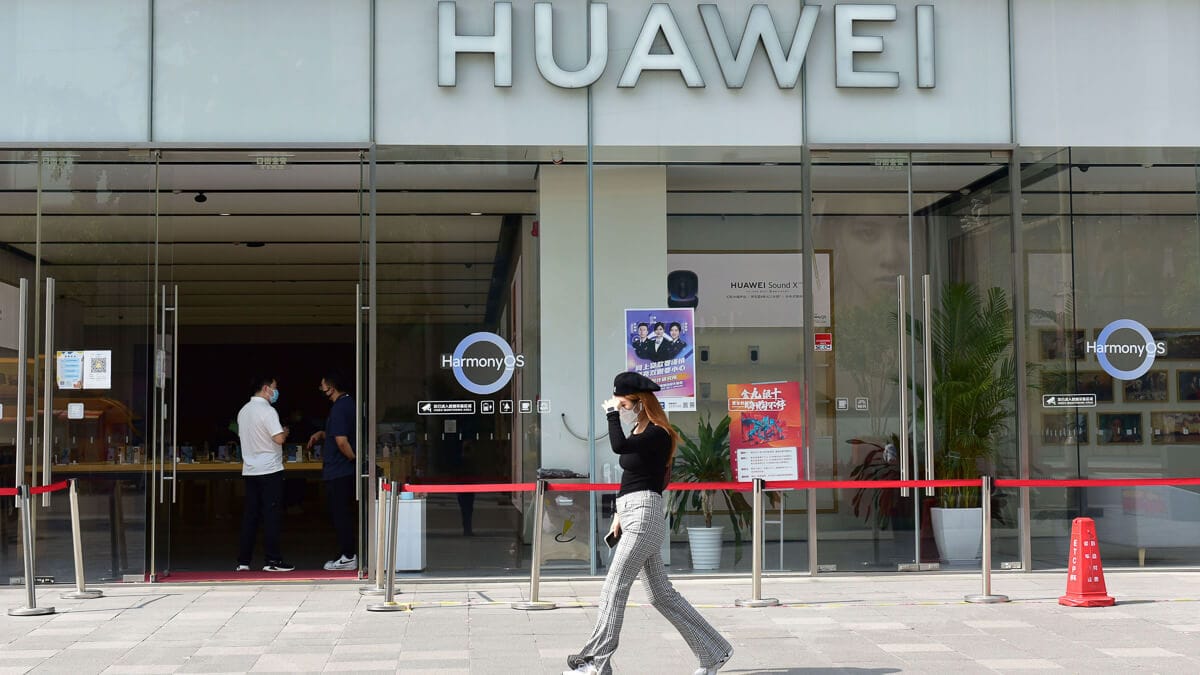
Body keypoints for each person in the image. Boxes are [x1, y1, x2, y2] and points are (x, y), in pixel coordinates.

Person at [564, 371, 733, 675]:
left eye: (625, 404)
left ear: (640, 402)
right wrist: (618, 515)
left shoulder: (659, 433)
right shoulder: (642, 432)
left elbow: (618, 448)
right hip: (632, 513)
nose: (623, 410)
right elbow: (632, 475)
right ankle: (715, 651)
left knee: (614, 587)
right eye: (621, 406)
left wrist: (611, 415)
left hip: (644, 514)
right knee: (660, 594)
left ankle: (595, 662)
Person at [235, 375, 293, 572]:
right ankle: (273, 560)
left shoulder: (243, 411)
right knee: (271, 516)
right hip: (270, 469)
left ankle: (243, 561)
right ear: (266, 389)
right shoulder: (268, 411)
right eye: (275, 388)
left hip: (250, 469)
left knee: (250, 516)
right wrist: (285, 432)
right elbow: (278, 439)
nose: (276, 392)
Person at [307, 371, 358, 571]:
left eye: (322, 386)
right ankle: (347, 552)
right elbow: (341, 433)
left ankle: (348, 556)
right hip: (344, 469)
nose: (321, 390)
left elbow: (341, 440)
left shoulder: (339, 408)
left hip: (339, 470)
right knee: (344, 513)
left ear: (331, 386)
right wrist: (322, 433)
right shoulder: (349, 403)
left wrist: (353, 459)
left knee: (340, 514)